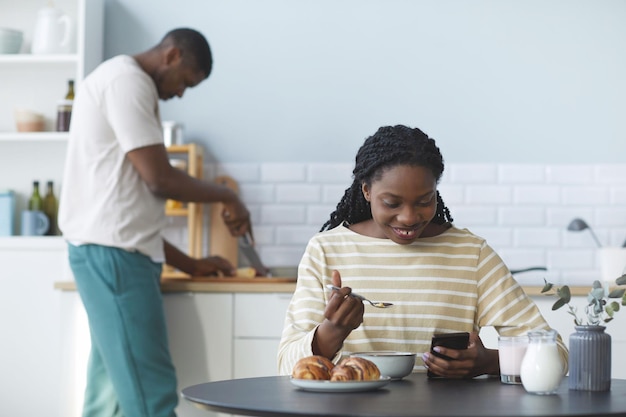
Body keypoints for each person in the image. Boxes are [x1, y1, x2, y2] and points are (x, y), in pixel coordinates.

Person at [58, 28, 252, 417]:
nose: (180, 94)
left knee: (110, 391)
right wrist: (227, 195)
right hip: (114, 259)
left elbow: (127, 212)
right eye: (185, 83)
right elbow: (159, 179)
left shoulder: (121, 82)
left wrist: (191, 264)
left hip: (112, 255)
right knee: (151, 393)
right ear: (172, 55)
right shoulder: (126, 82)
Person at [277, 125, 568, 378]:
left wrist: (489, 362)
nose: (409, 217)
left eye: (424, 201)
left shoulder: (471, 254)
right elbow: (286, 366)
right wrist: (332, 332)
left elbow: (555, 354)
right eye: (392, 203)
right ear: (366, 190)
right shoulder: (326, 250)